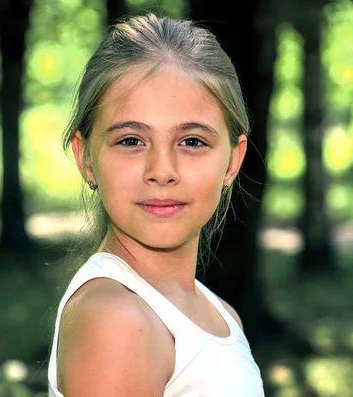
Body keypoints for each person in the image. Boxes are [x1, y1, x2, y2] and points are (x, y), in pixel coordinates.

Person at [46, 13, 265, 397]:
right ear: (86, 159)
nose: (161, 171)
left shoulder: (222, 316)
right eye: (131, 141)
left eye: (192, 141)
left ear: (232, 161)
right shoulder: (117, 319)